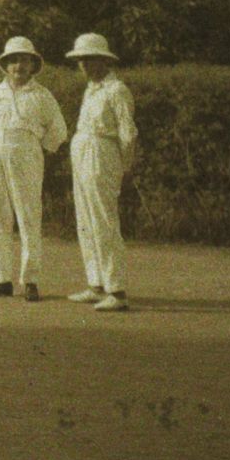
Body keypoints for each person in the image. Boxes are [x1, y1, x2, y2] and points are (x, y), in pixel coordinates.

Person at [0, 36, 68, 300]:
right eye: (13, 61)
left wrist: (35, 148)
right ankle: (2, 279)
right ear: (5, 65)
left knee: (28, 216)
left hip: (26, 155)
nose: (19, 66)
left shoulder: (42, 95)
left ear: (33, 65)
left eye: (24, 60)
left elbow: (58, 130)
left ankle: (30, 280)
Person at [65, 32, 137, 312]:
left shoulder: (117, 90)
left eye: (89, 59)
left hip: (102, 154)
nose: (83, 65)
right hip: (82, 151)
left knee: (104, 221)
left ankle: (117, 291)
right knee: (85, 220)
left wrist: (127, 165)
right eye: (80, 60)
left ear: (104, 60)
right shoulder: (91, 89)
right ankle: (97, 285)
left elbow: (128, 132)